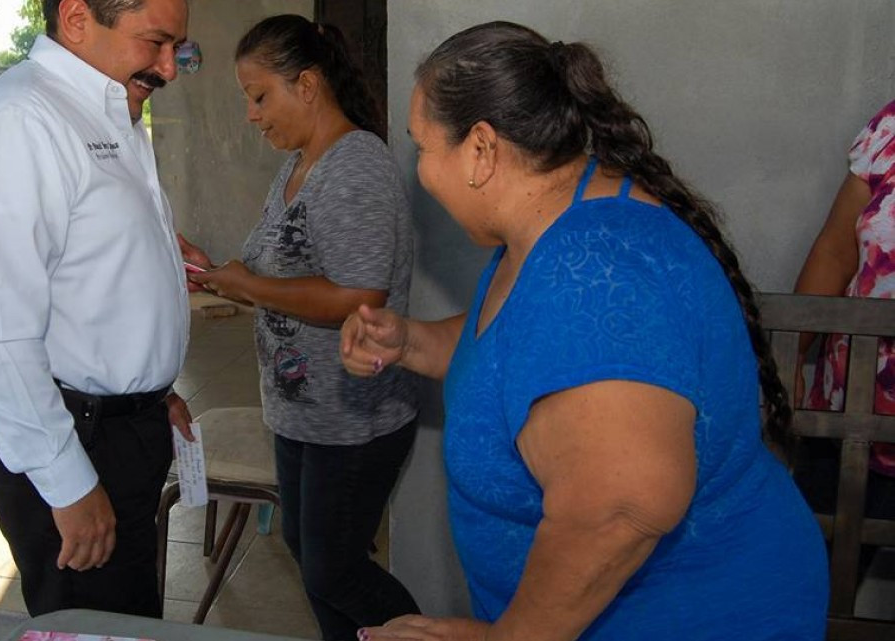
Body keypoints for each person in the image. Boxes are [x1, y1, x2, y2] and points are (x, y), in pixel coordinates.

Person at [340, 21, 828, 641]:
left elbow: (624, 504)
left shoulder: (595, 269)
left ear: (481, 151)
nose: (421, 170)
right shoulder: (559, 221)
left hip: (688, 619)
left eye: (422, 146)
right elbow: (527, 348)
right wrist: (409, 341)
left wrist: (510, 638)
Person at [0, 0, 194, 618]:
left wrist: (150, 387)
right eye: (156, 43)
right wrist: (69, 483)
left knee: (128, 618)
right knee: (90, 623)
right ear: (78, 19)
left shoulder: (109, 108)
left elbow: (89, 272)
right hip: (74, 438)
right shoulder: (18, 122)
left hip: (120, 426)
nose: (171, 68)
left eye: (178, 49)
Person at [179, 14, 420, 641]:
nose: (253, 116)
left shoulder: (356, 166)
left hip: (355, 416)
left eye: (260, 96)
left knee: (336, 570)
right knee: (313, 558)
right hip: (302, 413)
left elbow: (359, 296)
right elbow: (271, 270)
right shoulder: (297, 167)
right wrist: (213, 271)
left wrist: (246, 285)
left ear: (307, 85)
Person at [793, 99, 895, 521]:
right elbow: (836, 252)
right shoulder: (890, 127)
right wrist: (790, 358)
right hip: (846, 421)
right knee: (809, 578)